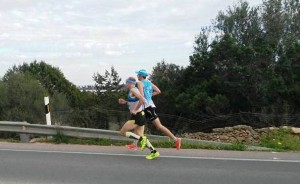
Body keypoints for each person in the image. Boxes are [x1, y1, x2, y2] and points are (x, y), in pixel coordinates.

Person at [126, 69, 181, 150]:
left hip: (147, 107)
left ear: (141, 76)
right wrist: (149, 95)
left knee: (158, 126)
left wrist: (141, 99)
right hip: (149, 105)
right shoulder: (149, 82)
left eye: (138, 75)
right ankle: (134, 144)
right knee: (139, 124)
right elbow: (158, 91)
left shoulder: (140, 83)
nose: (137, 76)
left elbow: (141, 95)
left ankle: (176, 139)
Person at [118, 77, 160, 160]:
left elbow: (142, 99)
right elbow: (135, 100)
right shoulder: (132, 90)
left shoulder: (133, 90)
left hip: (137, 116)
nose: (126, 84)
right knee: (140, 135)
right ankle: (154, 152)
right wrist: (125, 102)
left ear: (130, 83)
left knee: (122, 132)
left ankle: (141, 139)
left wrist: (135, 109)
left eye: (126, 83)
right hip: (141, 115)